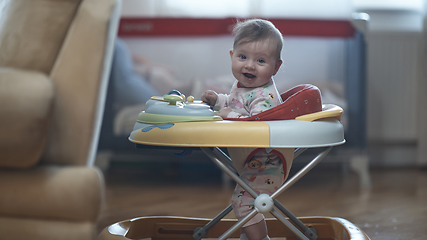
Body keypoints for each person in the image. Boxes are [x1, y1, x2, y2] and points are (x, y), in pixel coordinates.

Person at [201, 19, 294, 240]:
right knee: (244, 203)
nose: (249, 65)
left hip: (269, 161)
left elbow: (255, 123)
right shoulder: (244, 86)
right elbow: (238, 103)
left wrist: (228, 116)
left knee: (245, 203)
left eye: (260, 60)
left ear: (276, 67)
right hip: (254, 159)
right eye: (242, 57)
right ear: (232, 56)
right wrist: (219, 101)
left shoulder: (265, 96)